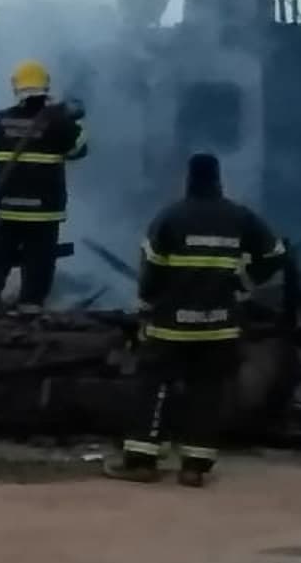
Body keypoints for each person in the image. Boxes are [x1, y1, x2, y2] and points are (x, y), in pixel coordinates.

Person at [106, 153, 285, 487]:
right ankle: (194, 468)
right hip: (219, 325)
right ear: (219, 180)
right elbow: (275, 254)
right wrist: (242, 282)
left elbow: (152, 270)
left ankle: (143, 462)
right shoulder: (240, 217)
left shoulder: (171, 217)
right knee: (208, 391)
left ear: (188, 179)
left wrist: (146, 304)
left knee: (154, 385)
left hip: (171, 325)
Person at [0, 58, 88, 316]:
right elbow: (80, 150)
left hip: (8, 204)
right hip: (44, 209)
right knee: (40, 256)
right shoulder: (58, 123)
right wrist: (74, 121)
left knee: (0, 250)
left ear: (16, 88)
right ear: (46, 88)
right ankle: (30, 304)